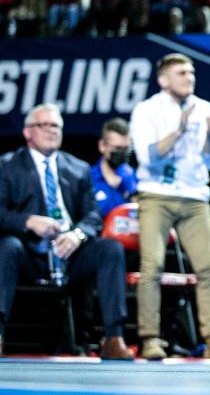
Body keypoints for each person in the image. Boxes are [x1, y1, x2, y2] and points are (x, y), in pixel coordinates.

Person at [0, 104, 134, 359]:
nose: (52, 131)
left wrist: (78, 235)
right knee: (7, 247)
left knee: (109, 249)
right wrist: (28, 221)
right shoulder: (7, 166)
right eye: (45, 125)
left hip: (70, 253)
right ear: (28, 132)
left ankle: (113, 337)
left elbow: (94, 215)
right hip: (29, 254)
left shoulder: (78, 168)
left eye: (57, 126)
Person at [128, 53, 210, 361]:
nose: (189, 77)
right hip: (156, 195)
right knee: (152, 267)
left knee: (208, 267)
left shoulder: (203, 108)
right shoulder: (146, 110)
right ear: (163, 80)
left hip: (194, 197)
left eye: (191, 72)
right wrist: (179, 129)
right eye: (180, 73)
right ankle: (150, 339)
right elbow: (148, 157)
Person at [90, 118, 138, 217]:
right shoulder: (88, 179)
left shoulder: (136, 177)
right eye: (117, 148)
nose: (122, 153)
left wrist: (132, 191)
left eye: (126, 149)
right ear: (102, 145)